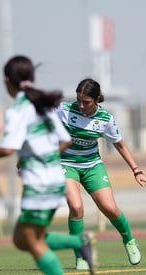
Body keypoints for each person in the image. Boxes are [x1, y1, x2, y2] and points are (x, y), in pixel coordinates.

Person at [0, 55, 95, 275]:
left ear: (7, 81)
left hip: (39, 184)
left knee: (34, 243)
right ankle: (79, 242)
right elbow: (66, 141)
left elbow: (7, 149)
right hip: (55, 180)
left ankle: (80, 243)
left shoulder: (18, 109)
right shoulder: (44, 106)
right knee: (21, 239)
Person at [57, 78, 146, 270]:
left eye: (86, 102)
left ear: (97, 99)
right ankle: (81, 255)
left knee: (110, 208)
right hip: (65, 164)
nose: (81, 105)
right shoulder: (63, 110)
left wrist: (136, 170)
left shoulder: (105, 119)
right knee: (76, 206)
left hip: (92, 165)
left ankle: (129, 241)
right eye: (79, 100)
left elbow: (120, 145)